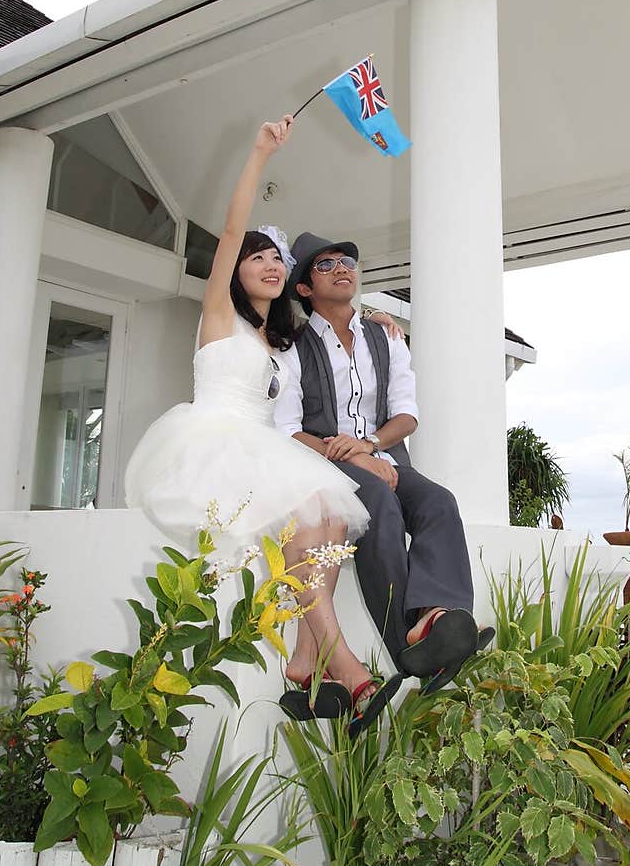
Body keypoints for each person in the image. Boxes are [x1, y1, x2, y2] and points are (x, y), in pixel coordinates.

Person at [124, 117, 402, 734]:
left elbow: (334, 339)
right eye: (259, 257)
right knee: (315, 514)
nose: (272, 265)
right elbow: (228, 229)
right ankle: (348, 667)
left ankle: (305, 658)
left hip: (264, 445)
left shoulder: (279, 340)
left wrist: (381, 321)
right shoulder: (219, 312)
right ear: (236, 269)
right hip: (218, 441)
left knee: (330, 516)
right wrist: (259, 152)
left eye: (279, 259)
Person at [274, 232, 494, 695]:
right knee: (378, 503)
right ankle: (406, 648)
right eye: (326, 265)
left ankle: (435, 617)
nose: (342, 269)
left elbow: (407, 415)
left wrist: (368, 446)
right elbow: (288, 428)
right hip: (323, 463)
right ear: (304, 289)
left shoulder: (386, 336)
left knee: (438, 501)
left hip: (383, 455)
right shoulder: (291, 347)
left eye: (348, 261)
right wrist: (345, 453)